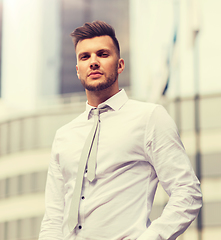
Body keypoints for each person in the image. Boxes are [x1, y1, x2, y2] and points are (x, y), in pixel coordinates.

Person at [39, 20, 202, 240]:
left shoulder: (149, 118)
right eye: (85, 57)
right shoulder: (64, 136)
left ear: (120, 64)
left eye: (103, 54)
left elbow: (187, 192)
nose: (93, 62)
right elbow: (54, 215)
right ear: (78, 70)